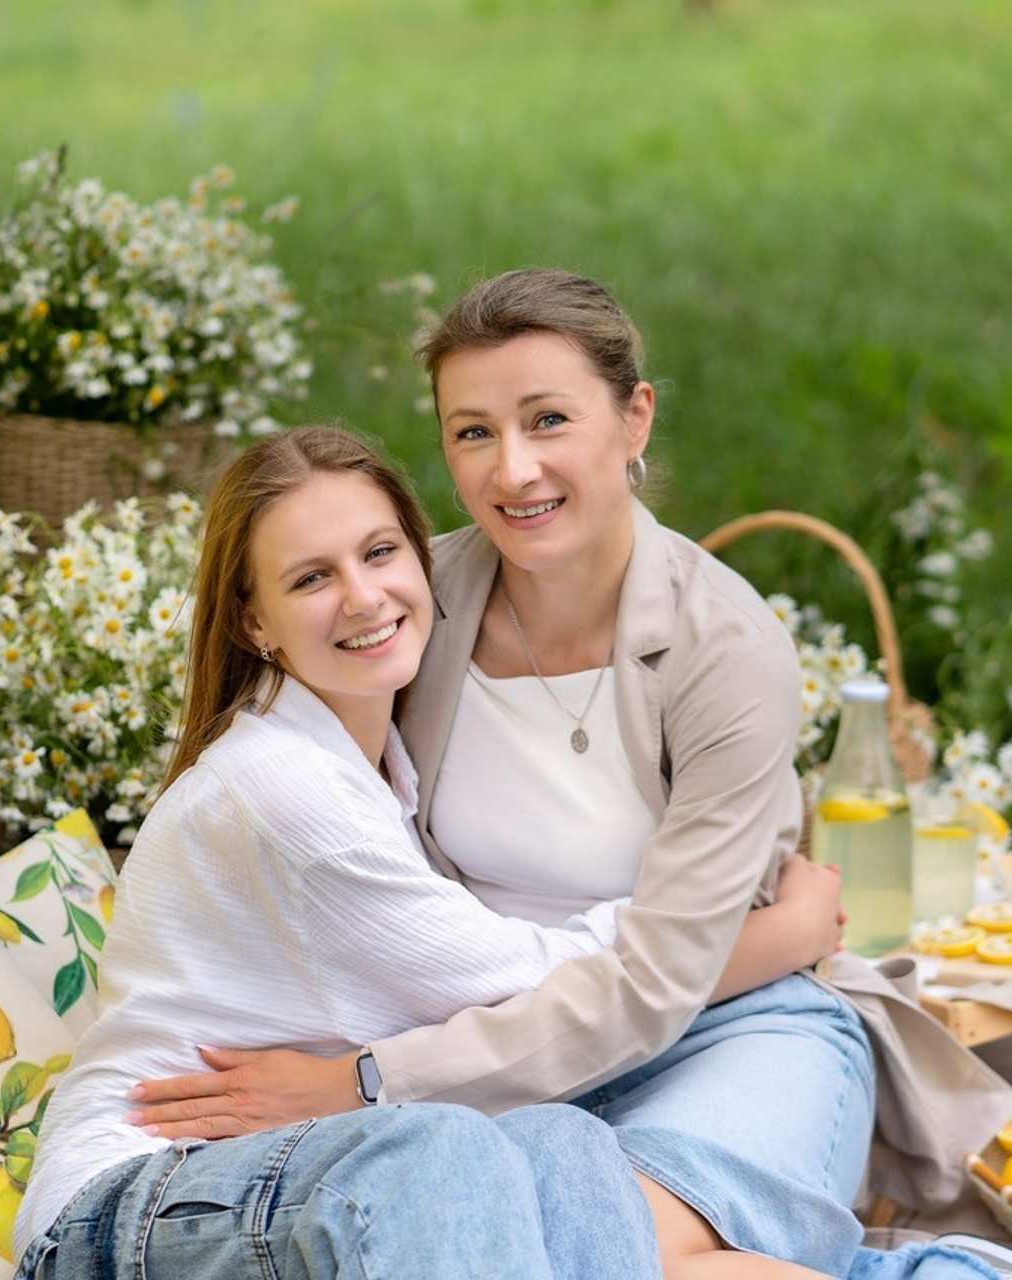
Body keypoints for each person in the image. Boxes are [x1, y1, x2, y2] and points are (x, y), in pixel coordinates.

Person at [123, 274, 1012, 1280]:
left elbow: (655, 984)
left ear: (632, 418)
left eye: (547, 418)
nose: (513, 468)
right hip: (488, 1056)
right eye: (471, 432)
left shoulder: (723, 647)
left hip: (726, 1028)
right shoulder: (406, 606)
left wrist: (366, 1082)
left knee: (604, 1258)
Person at [14, 425, 846, 1280]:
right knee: (440, 1150)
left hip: (290, 1178)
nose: (364, 596)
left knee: (559, 1145)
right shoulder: (283, 788)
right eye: (312, 578)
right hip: (129, 1209)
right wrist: (775, 929)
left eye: (380, 553)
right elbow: (529, 975)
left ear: (425, 564)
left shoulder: (375, 765)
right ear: (254, 622)